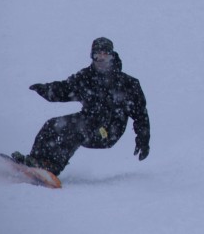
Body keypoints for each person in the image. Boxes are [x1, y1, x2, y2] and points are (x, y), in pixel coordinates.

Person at [10, 37, 150, 177]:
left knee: (76, 130)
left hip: (108, 131)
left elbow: (141, 115)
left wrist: (143, 141)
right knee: (52, 124)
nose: (101, 59)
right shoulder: (85, 77)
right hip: (87, 120)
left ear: (112, 56)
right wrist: (45, 89)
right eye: (97, 55)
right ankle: (36, 161)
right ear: (92, 56)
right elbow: (64, 89)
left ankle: (52, 167)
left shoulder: (128, 84)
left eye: (105, 55)